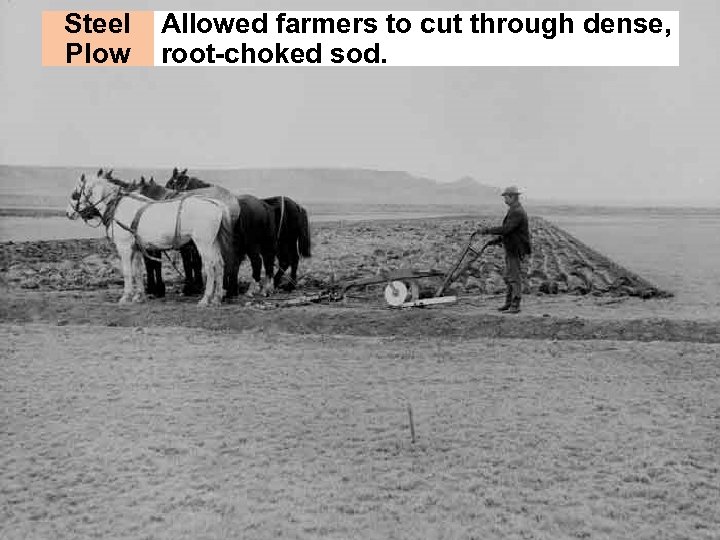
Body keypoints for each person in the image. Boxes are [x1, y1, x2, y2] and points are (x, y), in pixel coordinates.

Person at [478, 186, 532, 313]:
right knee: (509, 277)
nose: (504, 199)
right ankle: (508, 303)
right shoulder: (514, 210)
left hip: (516, 249)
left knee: (514, 277)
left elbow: (506, 229)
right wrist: (496, 240)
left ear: (512, 196)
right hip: (511, 247)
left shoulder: (517, 211)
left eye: (506, 197)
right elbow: (510, 232)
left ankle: (515, 305)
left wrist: (487, 231)